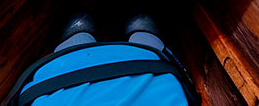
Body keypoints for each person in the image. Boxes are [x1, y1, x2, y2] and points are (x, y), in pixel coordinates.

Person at [10, 13, 199, 105]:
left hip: (147, 64)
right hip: (59, 74)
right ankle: (83, 30)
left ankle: (137, 26)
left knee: (144, 39)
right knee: (76, 45)